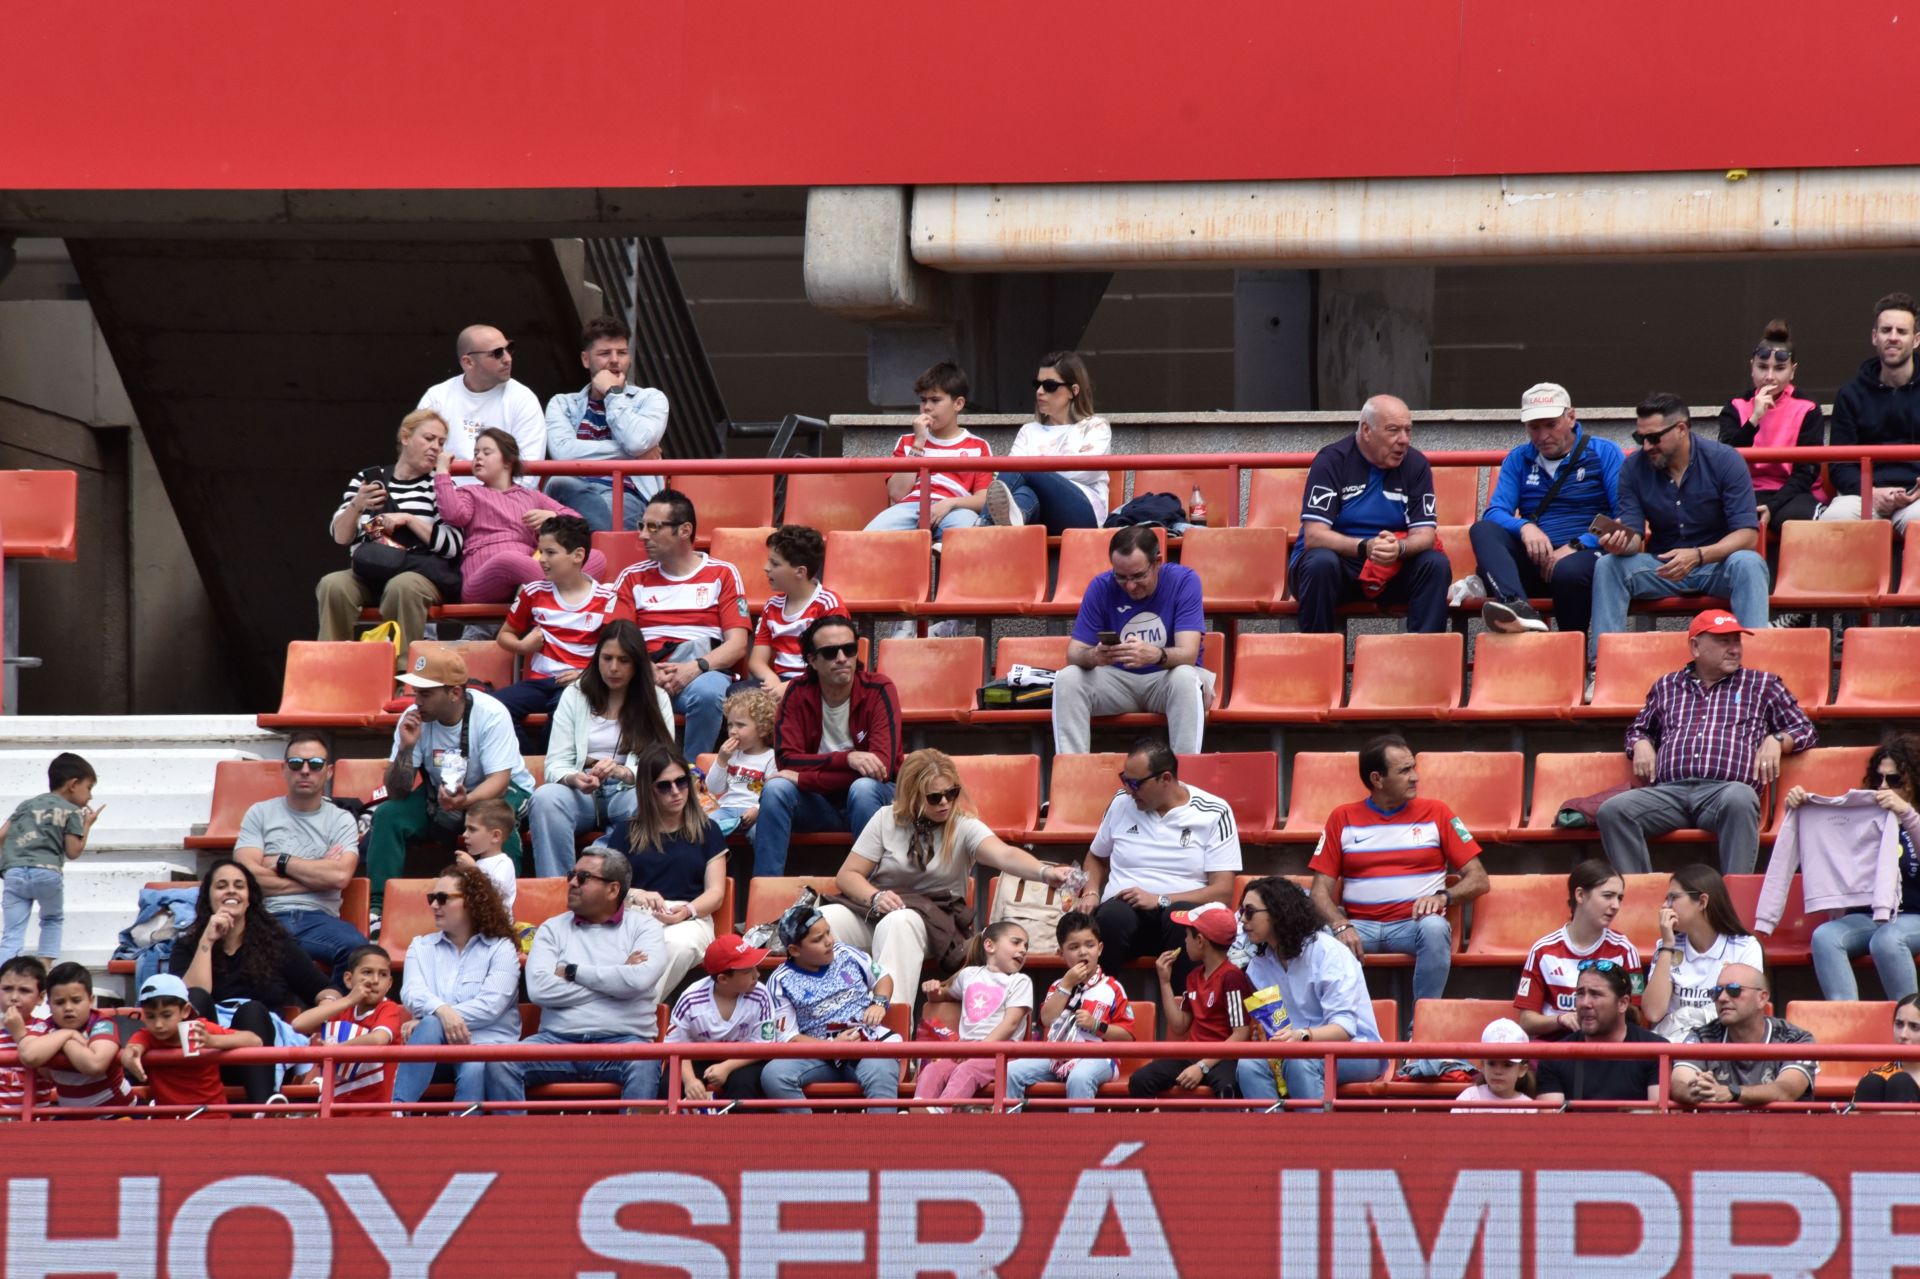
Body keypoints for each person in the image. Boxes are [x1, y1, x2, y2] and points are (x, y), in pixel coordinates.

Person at [822, 748, 1073, 1001]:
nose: (945, 802)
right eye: (934, 797)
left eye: (951, 793)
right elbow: (848, 875)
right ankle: (830, 1013)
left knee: (898, 922)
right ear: (912, 795)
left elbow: (1004, 854)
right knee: (823, 921)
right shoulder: (885, 819)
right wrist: (876, 897)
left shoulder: (963, 825)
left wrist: (1045, 872)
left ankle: (891, 1019)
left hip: (935, 921)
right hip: (879, 910)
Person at [1598, 609, 1815, 875]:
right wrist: (1640, 743)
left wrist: (1778, 739)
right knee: (1613, 811)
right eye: (1724, 641)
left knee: (1740, 797)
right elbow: (1637, 729)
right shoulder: (1667, 685)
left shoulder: (1762, 684)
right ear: (1695, 647)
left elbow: (1805, 729)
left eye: (1737, 641)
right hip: (1669, 793)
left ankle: (1734, 896)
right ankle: (1641, 893)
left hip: (1724, 794)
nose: (1734, 649)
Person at [1308, 734, 1489, 1010]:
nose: (1415, 777)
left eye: (1413, 767)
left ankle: (1422, 1024)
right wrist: (1340, 924)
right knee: (1315, 935)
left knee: (1435, 927)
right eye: (1404, 771)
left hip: (1412, 926)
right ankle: (1335, 1021)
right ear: (1377, 779)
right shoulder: (1342, 818)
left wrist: (1443, 897)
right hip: (1359, 927)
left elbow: (1479, 879)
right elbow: (1319, 891)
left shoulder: (1437, 812)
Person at [484, 846, 669, 1110]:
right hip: (557, 1041)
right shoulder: (551, 928)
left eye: (583, 877)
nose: (571, 883)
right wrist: (618, 975)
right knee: (500, 1062)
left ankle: (632, 1140)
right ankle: (516, 1139)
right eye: (572, 875)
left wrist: (572, 972)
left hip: (624, 1041)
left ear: (613, 889)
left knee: (645, 1061)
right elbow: (538, 990)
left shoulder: (645, 927)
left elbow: (639, 980)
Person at [1588, 393, 1769, 660]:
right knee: (1608, 565)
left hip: (1716, 565)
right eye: (1640, 438)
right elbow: (1635, 537)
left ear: (1681, 429)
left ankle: (1755, 667)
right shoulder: (1633, 468)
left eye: (1653, 438)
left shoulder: (1724, 459)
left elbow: (1747, 535)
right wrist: (1619, 543)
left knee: (1749, 563)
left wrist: (1698, 555)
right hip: (1663, 566)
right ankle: (1604, 667)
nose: (1646, 446)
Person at [367, 648, 537, 914]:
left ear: (455, 693)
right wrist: (405, 749)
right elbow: (396, 791)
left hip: (498, 791)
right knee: (388, 814)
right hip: (442, 793)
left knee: (494, 820)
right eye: (415, 692)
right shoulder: (412, 718)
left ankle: (501, 910)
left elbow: (500, 780)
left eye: (425, 694)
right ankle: (378, 908)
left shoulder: (491, 713)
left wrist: (466, 801)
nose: (417, 701)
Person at [1074, 738, 1239, 987]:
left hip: (1178, 920)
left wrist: (1160, 899)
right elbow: (1096, 856)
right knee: (1112, 916)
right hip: (1124, 915)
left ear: (1165, 779)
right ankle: (1096, 999)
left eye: (1135, 783)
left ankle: (1186, 1005)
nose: (1128, 790)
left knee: (1180, 916)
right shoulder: (1121, 803)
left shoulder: (1214, 811)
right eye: (1124, 780)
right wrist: (1091, 892)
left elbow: (1223, 891)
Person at [171, 858, 337, 1105]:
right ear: (208, 897)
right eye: (221, 886)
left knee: (252, 1011)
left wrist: (325, 1005)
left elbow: (325, 989)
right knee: (194, 997)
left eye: (239, 886)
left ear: (249, 898)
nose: (231, 891)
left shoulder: (276, 945)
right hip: (206, 1052)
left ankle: (263, 1108)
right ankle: (191, 1102)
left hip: (259, 1049)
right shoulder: (188, 945)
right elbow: (188, 1000)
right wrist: (207, 939)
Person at [751, 615, 901, 877]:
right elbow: (787, 760)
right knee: (776, 789)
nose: (842, 658)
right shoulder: (797, 692)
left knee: (863, 788)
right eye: (831, 652)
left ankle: (876, 890)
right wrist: (848, 759)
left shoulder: (879, 689)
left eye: (849, 649)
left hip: (873, 798)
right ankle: (766, 889)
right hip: (818, 805)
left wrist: (805, 779)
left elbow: (881, 768)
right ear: (812, 660)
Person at [527, 619, 675, 879]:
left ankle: (601, 871)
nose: (613, 667)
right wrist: (574, 778)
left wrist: (625, 772)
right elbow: (556, 763)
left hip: (629, 789)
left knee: (649, 802)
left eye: (623, 660)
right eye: (607, 658)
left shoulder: (657, 698)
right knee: (545, 798)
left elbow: (663, 764)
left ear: (637, 663)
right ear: (597, 659)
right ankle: (557, 889)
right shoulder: (575, 694)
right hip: (582, 790)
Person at [1472, 382, 1622, 636]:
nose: (1542, 436)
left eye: (1551, 425)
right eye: (1534, 427)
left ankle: (1570, 647)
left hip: (1584, 559)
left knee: (1568, 571)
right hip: (1537, 560)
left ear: (1571, 417)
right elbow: (1495, 512)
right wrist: (1525, 527)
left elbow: (1623, 518)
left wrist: (1577, 544)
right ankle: (1517, 608)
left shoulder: (1603, 452)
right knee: (1482, 530)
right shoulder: (1519, 458)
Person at [1776, 736, 1920, 1001]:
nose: (1883, 787)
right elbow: (1829, 850)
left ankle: (1911, 1020)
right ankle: (1846, 1018)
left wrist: (1908, 815)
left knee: (1887, 941)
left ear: (1914, 782)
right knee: (1825, 937)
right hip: (1869, 915)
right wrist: (1799, 810)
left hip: (1914, 914)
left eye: (1894, 780)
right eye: (1878, 779)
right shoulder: (1863, 816)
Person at [1291, 394, 1447, 635]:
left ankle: (1424, 655)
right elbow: (1314, 536)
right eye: (1393, 430)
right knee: (1321, 562)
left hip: (1390, 567)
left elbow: (1425, 535)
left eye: (1408, 430)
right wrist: (1366, 547)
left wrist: (1400, 548)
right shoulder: (1332, 461)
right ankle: (1317, 653)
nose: (1403, 440)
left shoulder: (1417, 465)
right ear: (1366, 430)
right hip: (1337, 567)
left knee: (1435, 564)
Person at [612, 487, 749, 755]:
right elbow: (617, 638)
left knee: (708, 693)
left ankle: (692, 772)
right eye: (642, 526)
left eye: (654, 527)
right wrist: (646, 669)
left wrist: (695, 668)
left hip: (702, 672)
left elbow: (738, 645)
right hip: (644, 673)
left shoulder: (723, 573)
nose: (643, 535)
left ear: (685, 530)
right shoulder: (631, 576)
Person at [1052, 525, 1211, 756]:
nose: (1130, 586)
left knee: (1186, 677)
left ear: (1157, 562)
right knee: (1068, 678)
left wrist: (1156, 655)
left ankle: (1186, 772)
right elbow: (1074, 653)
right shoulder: (1101, 585)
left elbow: (1188, 653)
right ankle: (1073, 770)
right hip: (1118, 680)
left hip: (1165, 678)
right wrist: (1094, 656)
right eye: (1120, 577)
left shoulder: (1184, 580)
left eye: (1138, 576)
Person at [316, 408, 463, 657]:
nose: (435, 448)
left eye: (441, 442)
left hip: (418, 574)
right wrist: (357, 505)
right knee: (333, 584)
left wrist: (408, 520)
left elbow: (454, 544)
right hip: (372, 571)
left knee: (402, 586)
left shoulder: (438, 484)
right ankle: (331, 663)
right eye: (428, 438)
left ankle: (402, 670)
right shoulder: (368, 479)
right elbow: (341, 536)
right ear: (405, 437)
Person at [1233, 876, 1385, 1106]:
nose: (1243, 920)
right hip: (1295, 1051)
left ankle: (1315, 1130)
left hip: (1357, 1051)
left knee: (1299, 1062)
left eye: (1250, 912)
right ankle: (1272, 1129)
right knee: (1248, 1066)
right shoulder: (1258, 966)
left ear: (1277, 913)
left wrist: (1301, 1036)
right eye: (1241, 912)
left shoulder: (1328, 952)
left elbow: (1344, 1029)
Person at [230, 732, 366, 983]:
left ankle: (335, 1008)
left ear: (329, 771)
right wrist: (316, 878)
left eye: (315, 764)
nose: (305, 771)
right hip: (266, 918)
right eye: (295, 763)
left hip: (319, 920)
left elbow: (339, 876)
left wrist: (282, 862)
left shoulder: (341, 820)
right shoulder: (259, 813)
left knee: (358, 951)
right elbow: (246, 878)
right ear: (284, 769)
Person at [393, 863, 522, 1110]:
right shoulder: (421, 946)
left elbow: (491, 1005)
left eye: (442, 898)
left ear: (471, 902)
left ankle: (459, 1127)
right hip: (435, 1049)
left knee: (473, 1063)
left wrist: (435, 1017)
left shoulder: (501, 948)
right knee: (432, 1024)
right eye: (432, 898)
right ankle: (397, 1111)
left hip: (486, 1047)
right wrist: (442, 1013)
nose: (434, 905)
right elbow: (411, 993)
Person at [492, 515, 626, 752]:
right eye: (540, 552)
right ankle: (531, 762)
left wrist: (587, 674)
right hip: (538, 683)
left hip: (581, 683)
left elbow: (617, 652)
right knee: (494, 707)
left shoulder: (607, 599)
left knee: (564, 710)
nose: (542, 560)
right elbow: (504, 636)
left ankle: (550, 766)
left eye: (550, 553)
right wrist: (523, 647)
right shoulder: (533, 592)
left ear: (578, 555)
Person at [606, 746, 730, 994]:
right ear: (648, 789)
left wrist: (686, 911)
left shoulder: (708, 830)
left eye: (681, 782)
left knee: (674, 944)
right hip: (636, 913)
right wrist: (636, 894)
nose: (675, 791)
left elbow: (716, 893)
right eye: (664, 786)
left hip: (690, 917)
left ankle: (631, 1011)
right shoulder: (625, 832)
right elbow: (608, 887)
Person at [432, 427, 606, 605]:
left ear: (508, 462)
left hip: (527, 572)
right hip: (483, 578)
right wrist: (442, 471)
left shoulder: (532, 496)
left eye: (486, 452)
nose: (478, 457)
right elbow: (453, 514)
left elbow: (578, 522)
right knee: (509, 559)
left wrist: (553, 516)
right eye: (476, 453)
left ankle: (541, 593)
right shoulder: (470, 492)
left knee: (596, 557)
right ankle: (556, 592)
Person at [1715, 320, 1825, 591]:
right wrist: (1753, 420)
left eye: (1779, 368)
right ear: (1751, 366)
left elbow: (1806, 472)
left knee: (1796, 519)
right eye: (1762, 367)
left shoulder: (1808, 408)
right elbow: (1726, 461)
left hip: (1790, 493)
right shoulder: (1735, 406)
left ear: (1793, 371)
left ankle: (1797, 604)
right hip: (1744, 491)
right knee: (1719, 518)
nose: (1770, 377)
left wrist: (1773, 506)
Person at [761, 903, 899, 1112]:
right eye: (818, 939)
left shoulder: (846, 953)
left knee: (881, 1068)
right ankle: (813, 1133)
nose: (829, 941)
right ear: (795, 950)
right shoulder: (780, 980)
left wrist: (879, 1002)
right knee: (774, 1074)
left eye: (828, 932)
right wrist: (832, 1046)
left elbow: (883, 978)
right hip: (819, 1056)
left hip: (865, 1044)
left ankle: (881, 1134)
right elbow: (789, 1038)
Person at [542, 315, 670, 531]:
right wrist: (633, 456)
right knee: (561, 482)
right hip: (572, 490)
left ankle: (579, 531)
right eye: (604, 353)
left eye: (622, 352)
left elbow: (636, 441)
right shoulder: (562, 403)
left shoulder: (650, 398)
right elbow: (564, 455)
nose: (614, 360)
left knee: (601, 512)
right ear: (585, 359)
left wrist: (613, 393)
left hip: (626, 494)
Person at [1005, 911, 1136, 1112]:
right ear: (1061, 953)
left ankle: (1078, 1133)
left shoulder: (1112, 987)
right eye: (1074, 947)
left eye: (1090, 945)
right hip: (1057, 1056)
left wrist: (1096, 1025)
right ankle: (1009, 1130)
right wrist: (1066, 985)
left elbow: (1127, 1037)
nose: (1083, 952)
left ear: (1100, 949)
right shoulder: (1058, 985)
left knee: (1079, 1077)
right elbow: (1047, 1019)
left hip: (1100, 1059)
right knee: (1010, 1071)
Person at [1127, 902, 1254, 1101]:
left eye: (1187, 935)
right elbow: (1179, 1025)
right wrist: (1164, 982)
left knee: (1227, 1090)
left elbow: (1241, 1034)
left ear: (1200, 940)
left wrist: (1202, 1066)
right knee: (1140, 1081)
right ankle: (1157, 1121)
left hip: (1223, 1058)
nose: (1185, 941)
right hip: (1192, 1053)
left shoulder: (1232, 977)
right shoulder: (1193, 976)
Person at [1818, 292, 1920, 531]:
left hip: (1917, 498)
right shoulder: (1850, 393)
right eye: (1886, 330)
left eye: (1901, 331)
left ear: (1916, 340)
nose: (1893, 337)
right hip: (1865, 495)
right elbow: (1840, 465)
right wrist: (1871, 492)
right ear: (1875, 337)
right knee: (1834, 519)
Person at [979, 352, 1111, 532]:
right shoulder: (1029, 430)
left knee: (1024, 467)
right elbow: (1013, 475)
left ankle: (982, 525)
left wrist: (1037, 474)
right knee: (1024, 493)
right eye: (1037, 384)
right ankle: (1014, 522)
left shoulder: (1095, 426)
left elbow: (1086, 471)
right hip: (1039, 514)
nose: (1040, 392)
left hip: (1084, 513)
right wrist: (1038, 476)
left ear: (1073, 391)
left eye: (1049, 386)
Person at [1513, 860, 1642, 1038]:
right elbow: (1526, 1022)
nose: (1616, 906)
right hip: (1556, 1046)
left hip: (1605, 1045)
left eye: (1619, 898)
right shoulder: (1543, 950)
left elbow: (1634, 1016)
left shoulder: (1625, 951)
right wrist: (1560, 1020)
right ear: (1580, 895)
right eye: (1608, 896)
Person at [913, 921, 1034, 1111]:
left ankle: (941, 1113)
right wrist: (933, 990)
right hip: (965, 1051)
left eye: (1026, 946)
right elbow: (944, 994)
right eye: (1016, 942)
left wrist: (976, 1050)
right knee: (933, 1069)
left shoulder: (1020, 981)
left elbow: (1010, 1024)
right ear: (989, 945)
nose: (1023, 950)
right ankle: (916, 1113)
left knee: (967, 1070)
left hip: (1001, 1053)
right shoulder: (968, 975)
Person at [865, 362, 992, 539]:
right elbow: (897, 493)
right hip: (909, 508)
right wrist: (919, 443)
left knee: (970, 534)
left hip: (956, 510)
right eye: (923, 400)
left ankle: (944, 552)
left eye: (935, 400)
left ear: (958, 404)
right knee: (867, 538)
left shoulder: (978, 446)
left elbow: (983, 498)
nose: (927, 407)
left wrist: (950, 503)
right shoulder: (907, 441)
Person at [1643, 864, 1764, 1042]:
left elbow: (1746, 1008)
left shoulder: (1744, 947)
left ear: (1702, 902)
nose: (1665, 906)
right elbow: (1653, 1012)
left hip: (1723, 1043)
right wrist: (1667, 945)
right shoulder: (1666, 946)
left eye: (1673, 897)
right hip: (1675, 1044)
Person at [665, 934, 788, 1106]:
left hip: (743, 1059)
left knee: (743, 1084)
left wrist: (726, 1067)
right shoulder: (691, 998)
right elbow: (675, 1046)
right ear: (723, 979)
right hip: (697, 1059)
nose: (757, 974)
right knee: (669, 1084)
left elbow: (764, 1045)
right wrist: (690, 1081)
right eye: (747, 971)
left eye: (755, 967)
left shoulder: (761, 994)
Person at [1670, 963, 1815, 1108]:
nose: (1722, 998)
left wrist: (1734, 1092)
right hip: (1721, 1123)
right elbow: (1679, 1083)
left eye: (1734, 990)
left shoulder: (1795, 1038)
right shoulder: (1702, 1036)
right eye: (1717, 991)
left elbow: (1786, 1091)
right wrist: (1699, 1089)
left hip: (1780, 1123)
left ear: (1762, 998)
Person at [416, 323, 545, 487]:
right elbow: (416, 458)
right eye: (497, 353)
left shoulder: (523, 399)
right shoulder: (437, 397)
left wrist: (498, 500)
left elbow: (528, 474)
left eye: (509, 348)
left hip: (503, 499)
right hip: (443, 495)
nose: (508, 359)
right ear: (468, 362)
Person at [0, 750, 100, 962]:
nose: (90, 796)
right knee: (52, 919)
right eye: (89, 788)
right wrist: (87, 825)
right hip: (47, 872)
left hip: (14, 872)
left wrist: (7, 864)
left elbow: (2, 835)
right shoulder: (71, 811)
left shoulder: (26, 805)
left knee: (12, 933)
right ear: (73, 784)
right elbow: (73, 851)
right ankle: (45, 966)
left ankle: (5, 973)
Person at [120, 973, 262, 1118]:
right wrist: (132, 1056)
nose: (158, 1024)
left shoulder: (199, 1030)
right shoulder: (146, 1036)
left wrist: (212, 1041)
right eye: (150, 1016)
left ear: (185, 1011)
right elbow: (130, 1051)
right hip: (169, 1123)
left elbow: (255, 1040)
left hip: (213, 1119)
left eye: (166, 1015)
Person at [289, 944, 408, 1116]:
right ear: (348, 979)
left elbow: (379, 1039)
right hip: (336, 1113)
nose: (375, 980)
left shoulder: (388, 1009)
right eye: (367, 972)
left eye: (383, 974)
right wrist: (348, 1000)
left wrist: (337, 1050)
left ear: (389, 983)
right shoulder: (342, 1009)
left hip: (376, 1115)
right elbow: (299, 1024)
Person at [1533, 962, 1666, 1109]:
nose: (1585, 1003)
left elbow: (1658, 1117)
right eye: (1580, 994)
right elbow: (1551, 1121)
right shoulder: (1554, 1057)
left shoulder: (1657, 1051)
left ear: (1623, 1003)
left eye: (1595, 994)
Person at [18, 961, 132, 1114]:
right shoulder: (46, 1026)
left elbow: (95, 1065)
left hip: (118, 1114)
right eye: (59, 1002)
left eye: (76, 1000)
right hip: (72, 1116)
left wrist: (65, 1042)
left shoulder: (102, 1023)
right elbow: (28, 1056)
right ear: (49, 1004)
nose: (68, 1008)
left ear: (91, 1000)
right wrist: (67, 1034)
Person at [748, 525, 841, 692]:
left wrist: (790, 687)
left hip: (815, 682)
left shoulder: (828, 604)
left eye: (775, 563)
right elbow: (756, 661)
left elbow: (833, 661)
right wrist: (770, 678)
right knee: (735, 693)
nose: (766, 567)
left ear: (800, 572)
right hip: (778, 680)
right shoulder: (771, 606)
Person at [706, 687, 777, 835]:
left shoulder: (771, 757)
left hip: (756, 811)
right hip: (727, 809)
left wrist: (758, 809)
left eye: (740, 725)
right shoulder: (729, 755)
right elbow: (714, 789)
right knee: (704, 828)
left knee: (759, 833)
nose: (732, 731)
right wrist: (721, 760)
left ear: (763, 729)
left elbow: (773, 794)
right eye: (730, 724)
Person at [0, 956, 54, 1116]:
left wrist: (20, 1035)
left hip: (33, 1123)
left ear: (40, 997)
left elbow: (51, 1074)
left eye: (24, 990)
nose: (14, 997)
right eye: (7, 988)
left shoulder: (47, 1030)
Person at [1451, 1018, 1536, 1112]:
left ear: (1522, 1070)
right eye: (1491, 1063)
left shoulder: (1528, 1108)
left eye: (1507, 1065)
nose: (1498, 1071)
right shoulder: (1469, 1097)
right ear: (1483, 1066)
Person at [1854, 995, 1920, 1105]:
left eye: (1914, 1027)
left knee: (1901, 1082)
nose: (1903, 1035)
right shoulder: (1878, 1075)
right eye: (1899, 1024)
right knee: (1871, 1083)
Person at [457, 799, 519, 913]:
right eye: (466, 828)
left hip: (496, 923)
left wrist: (473, 870)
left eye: (472, 829)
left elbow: (495, 893)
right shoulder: (477, 864)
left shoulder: (503, 863)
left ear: (495, 836)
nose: (464, 834)